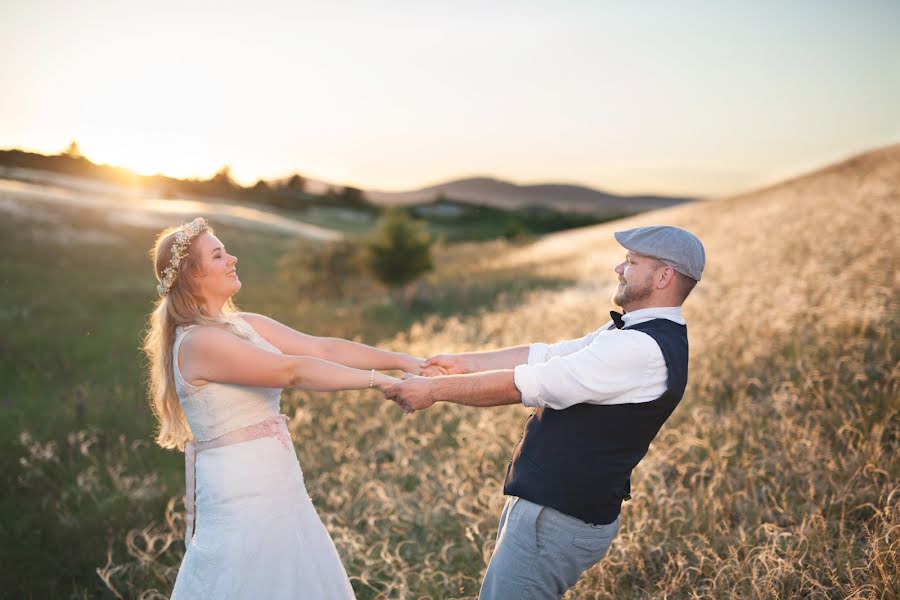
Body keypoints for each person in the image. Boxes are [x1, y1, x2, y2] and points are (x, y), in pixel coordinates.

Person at [385, 225, 706, 599]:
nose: (619, 268)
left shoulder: (640, 347)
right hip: (550, 510)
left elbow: (526, 383)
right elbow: (548, 354)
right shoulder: (636, 332)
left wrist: (434, 390)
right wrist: (462, 362)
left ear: (664, 275)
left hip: (558, 519)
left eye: (632, 262)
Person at [142, 217, 421, 599]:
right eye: (219, 255)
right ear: (192, 275)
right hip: (241, 489)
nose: (233, 259)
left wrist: (403, 361)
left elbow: (321, 349)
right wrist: (379, 381)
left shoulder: (243, 324)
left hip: (279, 480)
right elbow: (292, 372)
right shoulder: (199, 342)